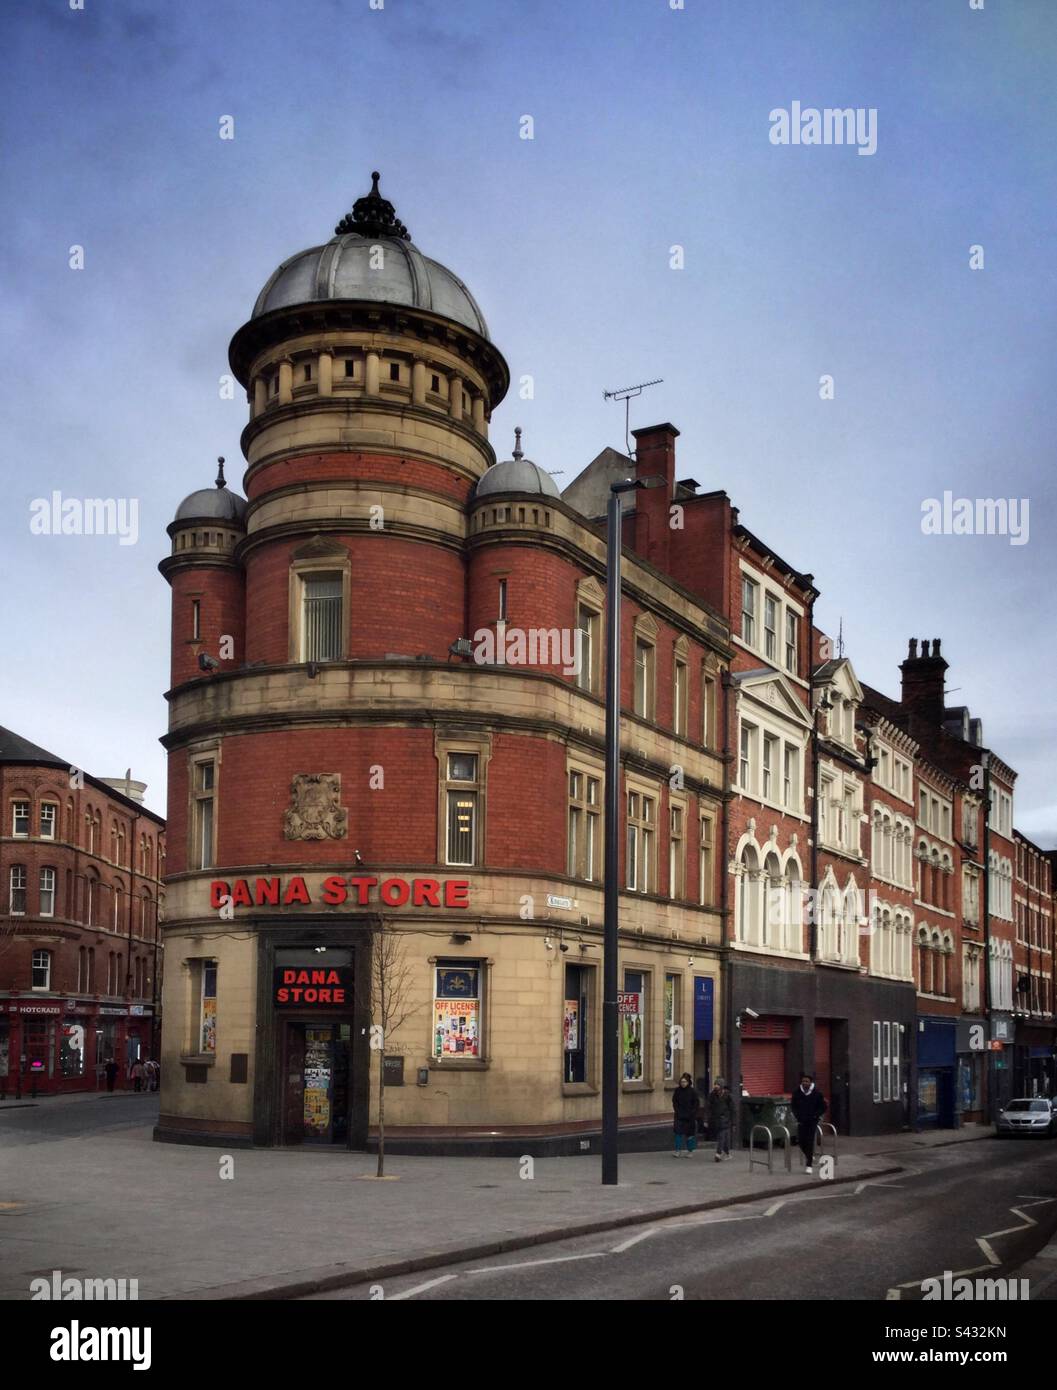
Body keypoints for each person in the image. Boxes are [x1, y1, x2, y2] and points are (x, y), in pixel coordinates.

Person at [791, 1072, 827, 1174]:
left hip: (812, 1121)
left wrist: (816, 1115)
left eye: (807, 1081)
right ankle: (809, 1155)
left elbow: (823, 1107)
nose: (804, 1083)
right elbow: (793, 1106)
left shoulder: (817, 1093)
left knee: (809, 1141)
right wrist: (797, 1115)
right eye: (803, 1081)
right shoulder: (797, 1093)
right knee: (801, 1141)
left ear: (811, 1083)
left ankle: (809, 1165)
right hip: (801, 1120)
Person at [671, 1072, 700, 1156]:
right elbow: (674, 1101)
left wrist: (692, 1113)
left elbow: (696, 1103)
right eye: (682, 1082)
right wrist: (677, 1110)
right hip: (679, 1115)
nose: (683, 1083)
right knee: (678, 1133)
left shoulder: (692, 1092)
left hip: (690, 1116)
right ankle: (677, 1150)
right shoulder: (677, 1091)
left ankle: (690, 1151)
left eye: (685, 1082)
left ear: (688, 1082)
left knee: (690, 1134)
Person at [708, 1077, 734, 1161]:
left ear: (722, 1086)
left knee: (721, 1136)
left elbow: (732, 1109)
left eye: (718, 1084)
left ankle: (718, 1153)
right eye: (715, 1084)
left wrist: (733, 1122)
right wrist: (706, 1119)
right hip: (716, 1119)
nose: (716, 1086)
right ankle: (727, 1153)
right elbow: (709, 1107)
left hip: (725, 1119)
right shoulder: (712, 1095)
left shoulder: (727, 1095)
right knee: (723, 1138)